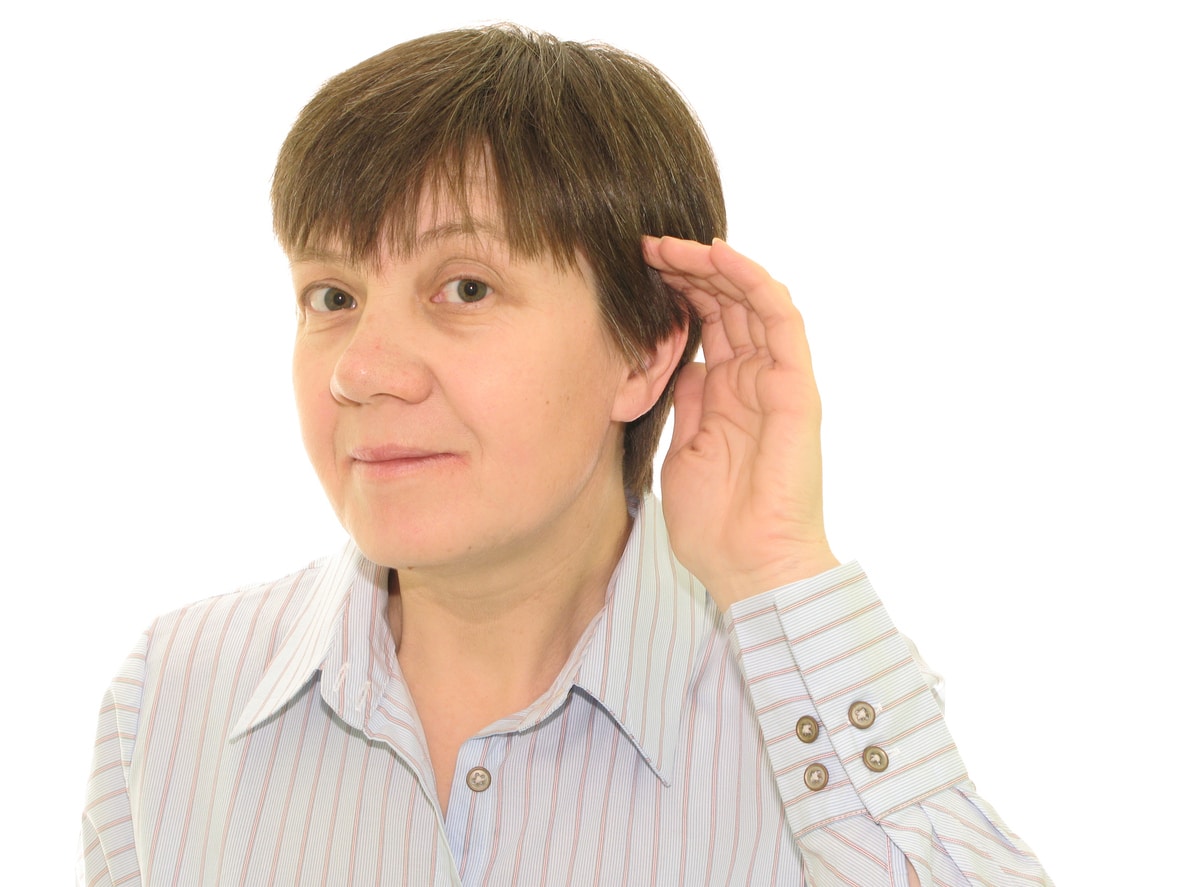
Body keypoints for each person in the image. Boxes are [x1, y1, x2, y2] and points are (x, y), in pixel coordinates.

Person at [80, 25, 1052, 886]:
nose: (362, 371)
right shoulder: (173, 694)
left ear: (645, 350)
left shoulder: (813, 718)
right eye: (331, 296)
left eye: (463, 288)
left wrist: (777, 566)